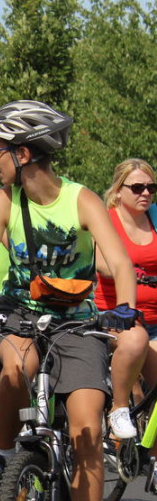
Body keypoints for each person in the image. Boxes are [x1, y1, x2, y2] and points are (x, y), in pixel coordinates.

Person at [0, 100, 145, 501]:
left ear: (23, 153)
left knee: (86, 425)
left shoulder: (82, 200)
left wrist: (123, 309)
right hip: (19, 316)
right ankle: (1, 457)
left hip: (77, 322)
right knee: (15, 368)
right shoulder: (1, 201)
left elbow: (121, 266)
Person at [94, 159, 157, 436]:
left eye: (151, 187)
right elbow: (101, 262)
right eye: (137, 187)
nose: (146, 193)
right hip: (117, 318)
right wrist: (127, 270)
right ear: (119, 190)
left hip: (155, 318)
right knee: (136, 341)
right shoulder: (105, 220)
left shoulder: (155, 217)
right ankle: (118, 409)